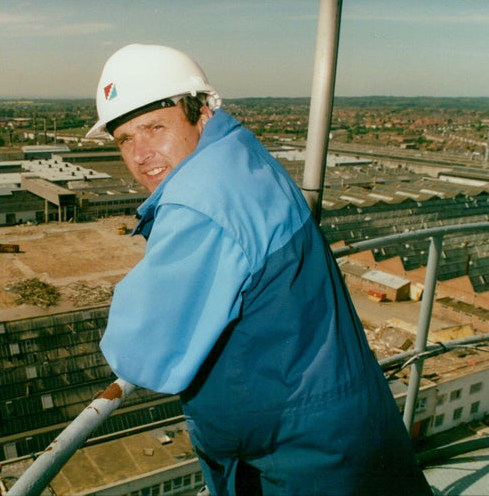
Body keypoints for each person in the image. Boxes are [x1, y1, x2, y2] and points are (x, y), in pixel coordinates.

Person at [87, 44, 432, 496]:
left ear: (203, 115)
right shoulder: (243, 158)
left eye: (154, 128)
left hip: (298, 452)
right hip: (333, 419)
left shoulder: (200, 201)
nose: (141, 154)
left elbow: (141, 355)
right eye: (125, 139)